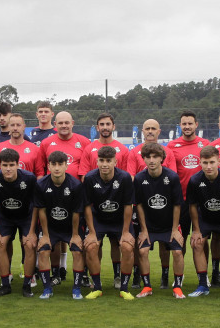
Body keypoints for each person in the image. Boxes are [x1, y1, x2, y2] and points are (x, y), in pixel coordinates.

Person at [185, 145, 220, 298]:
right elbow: (192, 206)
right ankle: (203, 285)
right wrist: (196, 230)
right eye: (205, 163)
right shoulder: (195, 180)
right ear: (200, 163)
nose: (209, 166)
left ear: (219, 162)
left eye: (212, 162)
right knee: (196, 243)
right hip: (206, 218)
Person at [39, 111, 90, 282]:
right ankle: (56, 273)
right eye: (60, 123)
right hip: (52, 196)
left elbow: (85, 170)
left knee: (78, 239)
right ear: (55, 124)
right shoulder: (46, 143)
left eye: (67, 122)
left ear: (73, 123)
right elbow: (41, 170)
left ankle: (82, 275)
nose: (64, 126)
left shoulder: (83, 142)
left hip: (75, 197)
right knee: (55, 240)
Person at [133, 142, 186, 299]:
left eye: (155, 156)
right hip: (149, 226)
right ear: (143, 159)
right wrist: (144, 230)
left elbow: (177, 205)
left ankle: (177, 287)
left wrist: (175, 229)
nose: (151, 160)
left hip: (169, 225)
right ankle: (147, 286)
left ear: (162, 158)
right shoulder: (139, 178)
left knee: (177, 252)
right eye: (148, 157)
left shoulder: (172, 177)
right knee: (142, 251)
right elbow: (140, 205)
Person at [82, 145, 136, 300]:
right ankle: (97, 288)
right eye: (101, 160)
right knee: (91, 247)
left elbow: (128, 205)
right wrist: (92, 232)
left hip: (119, 221)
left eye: (108, 160)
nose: (105, 164)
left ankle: (124, 288)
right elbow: (86, 207)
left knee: (126, 247)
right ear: (97, 162)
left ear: (115, 162)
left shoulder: (124, 178)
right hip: (98, 219)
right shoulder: (90, 178)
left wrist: (125, 232)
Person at [163, 111, 210, 289]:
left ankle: (204, 277)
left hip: (201, 202)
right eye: (184, 124)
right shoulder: (172, 146)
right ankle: (178, 277)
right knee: (179, 241)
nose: (187, 126)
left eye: (190, 123)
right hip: (180, 201)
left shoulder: (205, 145)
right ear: (180, 126)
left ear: (196, 124)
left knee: (202, 240)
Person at [0, 148, 39, 297]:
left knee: (29, 244)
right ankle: (5, 285)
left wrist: (32, 231)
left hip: (26, 216)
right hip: (5, 216)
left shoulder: (29, 179)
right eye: (4, 165)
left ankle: (27, 285)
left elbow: (35, 205)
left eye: (11, 165)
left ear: (18, 165)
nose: (8, 169)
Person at [33, 151, 85, 299]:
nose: (57, 168)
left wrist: (75, 235)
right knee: (43, 251)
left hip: (70, 228)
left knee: (77, 251)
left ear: (66, 166)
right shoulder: (41, 184)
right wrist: (45, 235)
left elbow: (76, 212)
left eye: (60, 164)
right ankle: (47, 289)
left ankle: (76, 289)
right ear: (48, 166)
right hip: (51, 228)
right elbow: (41, 211)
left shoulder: (75, 185)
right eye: (53, 164)